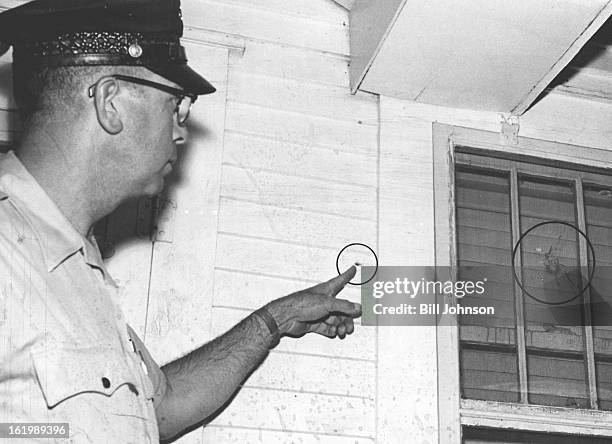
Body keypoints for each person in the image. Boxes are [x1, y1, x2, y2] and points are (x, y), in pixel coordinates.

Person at [0, 0, 362, 442]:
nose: (180, 131)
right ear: (110, 102)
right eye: (176, 105)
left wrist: (275, 321)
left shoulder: (75, 267)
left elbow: (160, 407)